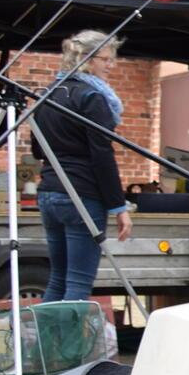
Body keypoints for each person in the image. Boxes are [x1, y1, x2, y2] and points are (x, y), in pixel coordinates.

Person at [31, 29, 131, 302]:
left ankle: (48, 343)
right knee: (77, 285)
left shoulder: (49, 94)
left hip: (49, 192)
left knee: (57, 280)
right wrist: (119, 206)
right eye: (106, 60)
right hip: (81, 195)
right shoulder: (92, 98)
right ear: (86, 58)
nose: (111, 66)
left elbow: (37, 148)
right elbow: (102, 156)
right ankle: (70, 346)